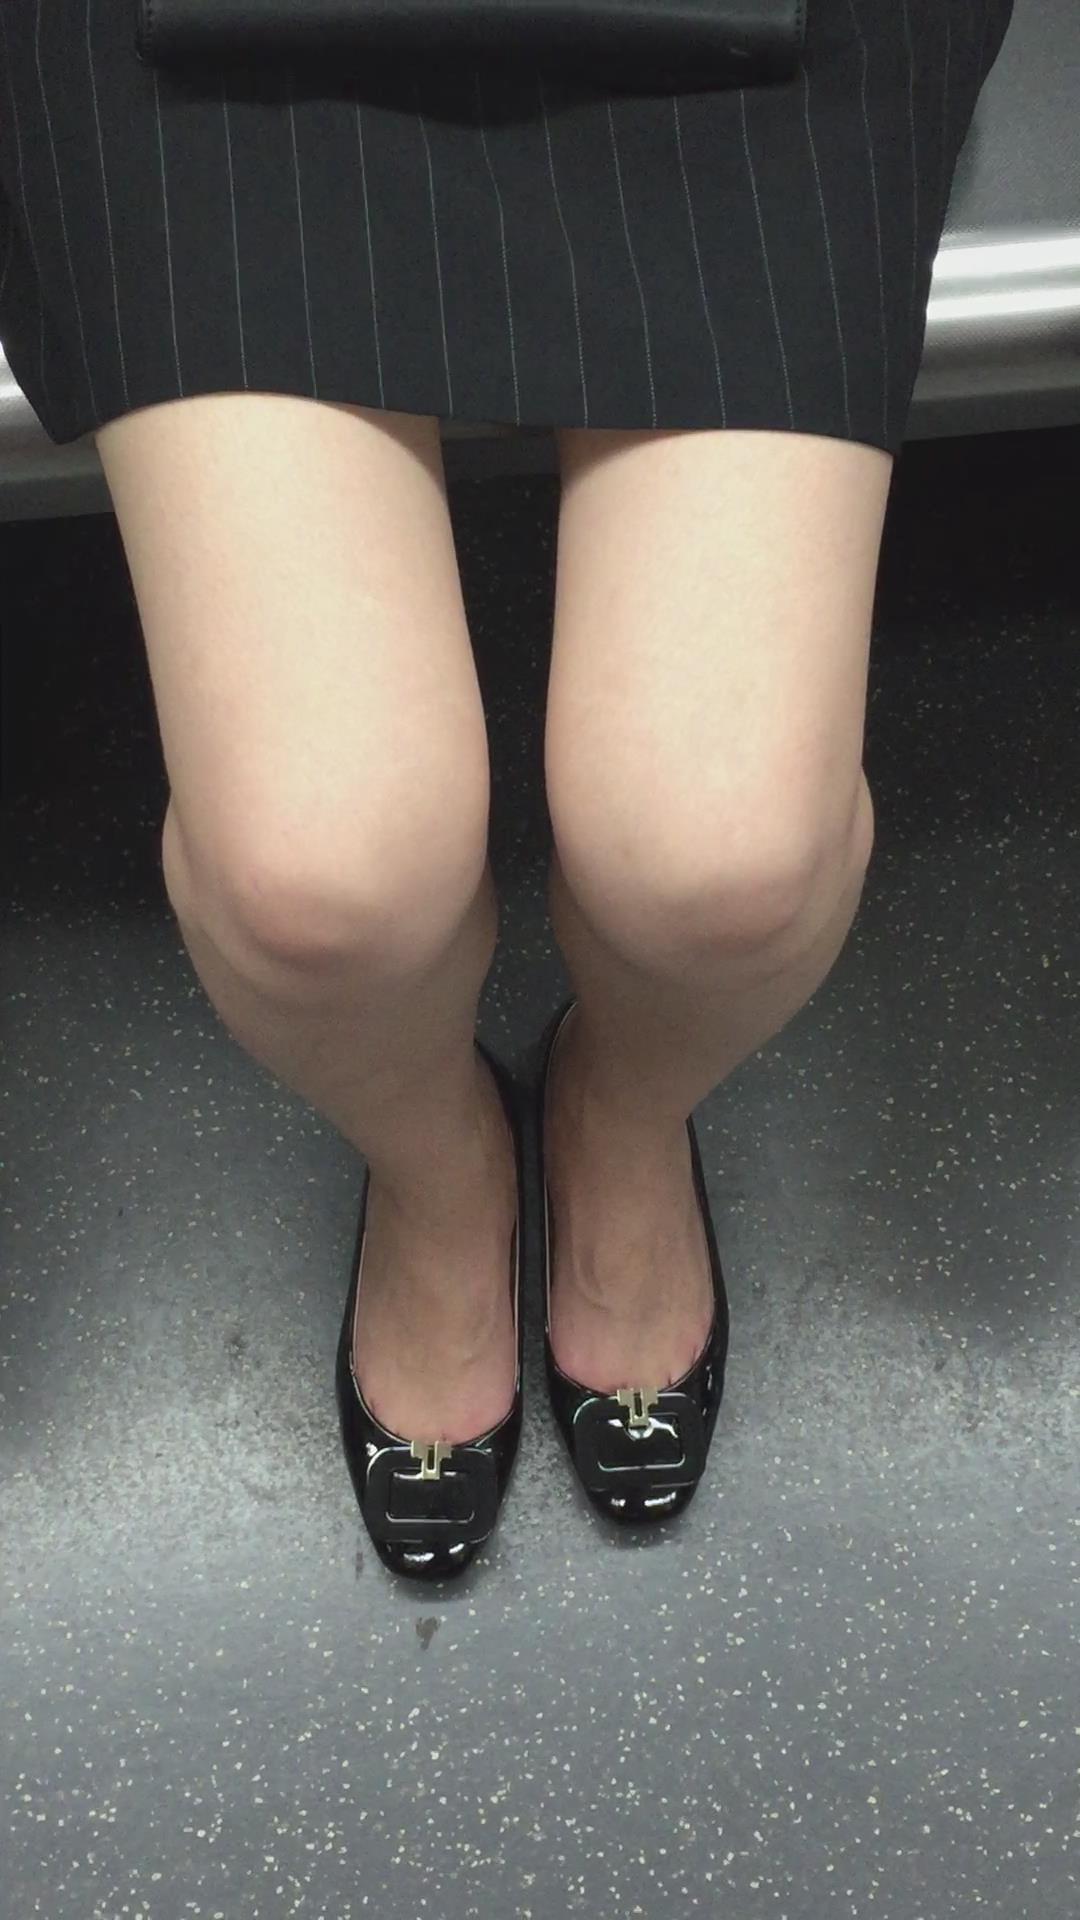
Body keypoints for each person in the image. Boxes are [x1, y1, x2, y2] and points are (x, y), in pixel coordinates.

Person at [0, 0, 1016, 1578]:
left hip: (751, 33)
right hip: (200, 40)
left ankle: (621, 1112)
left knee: (725, 871)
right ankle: (441, 1167)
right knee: (315, 889)